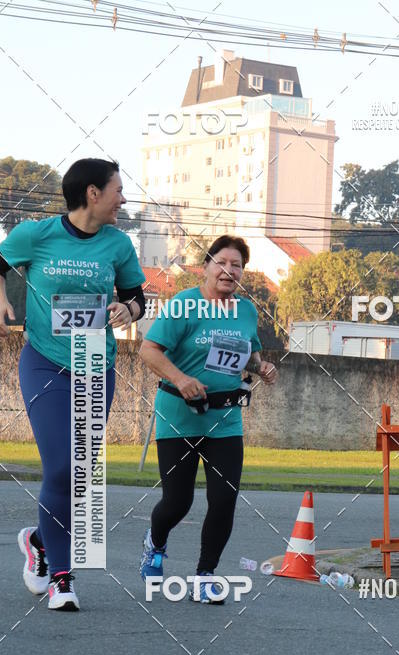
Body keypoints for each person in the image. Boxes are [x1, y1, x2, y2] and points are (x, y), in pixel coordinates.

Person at [0, 158, 146, 611]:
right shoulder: (37, 234)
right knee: (61, 467)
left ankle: (40, 541)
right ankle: (62, 579)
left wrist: (130, 312)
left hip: (95, 366)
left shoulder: (119, 244)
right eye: (118, 189)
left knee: (78, 475)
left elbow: (137, 295)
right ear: (92, 194)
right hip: (44, 363)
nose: (123, 198)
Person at [138, 234, 277, 604]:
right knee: (177, 503)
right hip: (178, 417)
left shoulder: (246, 311)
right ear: (206, 267)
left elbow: (248, 353)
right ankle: (155, 542)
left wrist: (261, 366)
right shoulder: (184, 304)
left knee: (223, 499)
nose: (229, 271)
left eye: (237, 266)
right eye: (223, 262)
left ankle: (204, 575)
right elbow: (148, 350)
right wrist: (181, 379)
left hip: (225, 419)